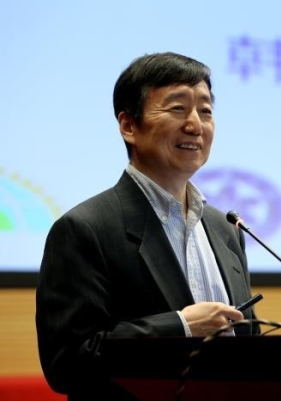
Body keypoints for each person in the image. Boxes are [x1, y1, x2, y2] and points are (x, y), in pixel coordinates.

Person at [35, 52, 259, 401]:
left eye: (205, 111)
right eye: (177, 108)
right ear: (129, 126)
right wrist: (180, 326)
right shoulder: (84, 229)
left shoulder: (226, 229)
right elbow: (67, 363)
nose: (195, 125)